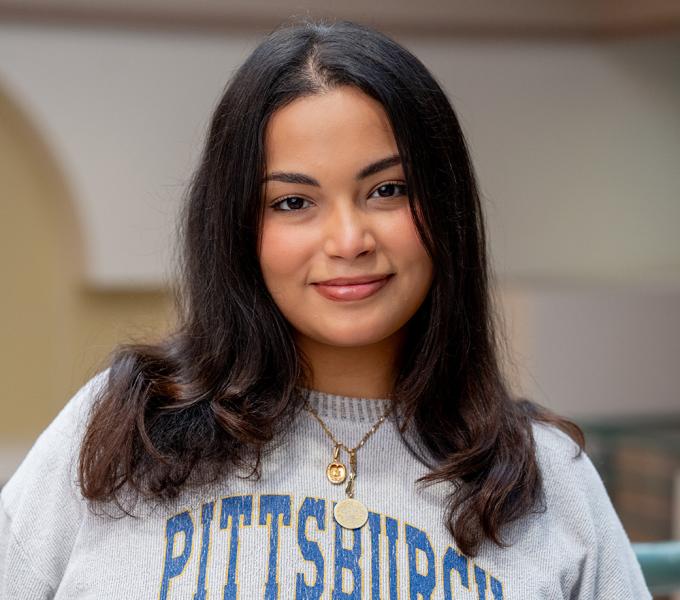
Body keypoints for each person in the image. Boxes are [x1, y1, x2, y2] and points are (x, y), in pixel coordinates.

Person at [0, 18, 650, 600]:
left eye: (388, 190)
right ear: (237, 227)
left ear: (446, 210)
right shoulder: (119, 433)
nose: (348, 241)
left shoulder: (544, 480)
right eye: (293, 202)